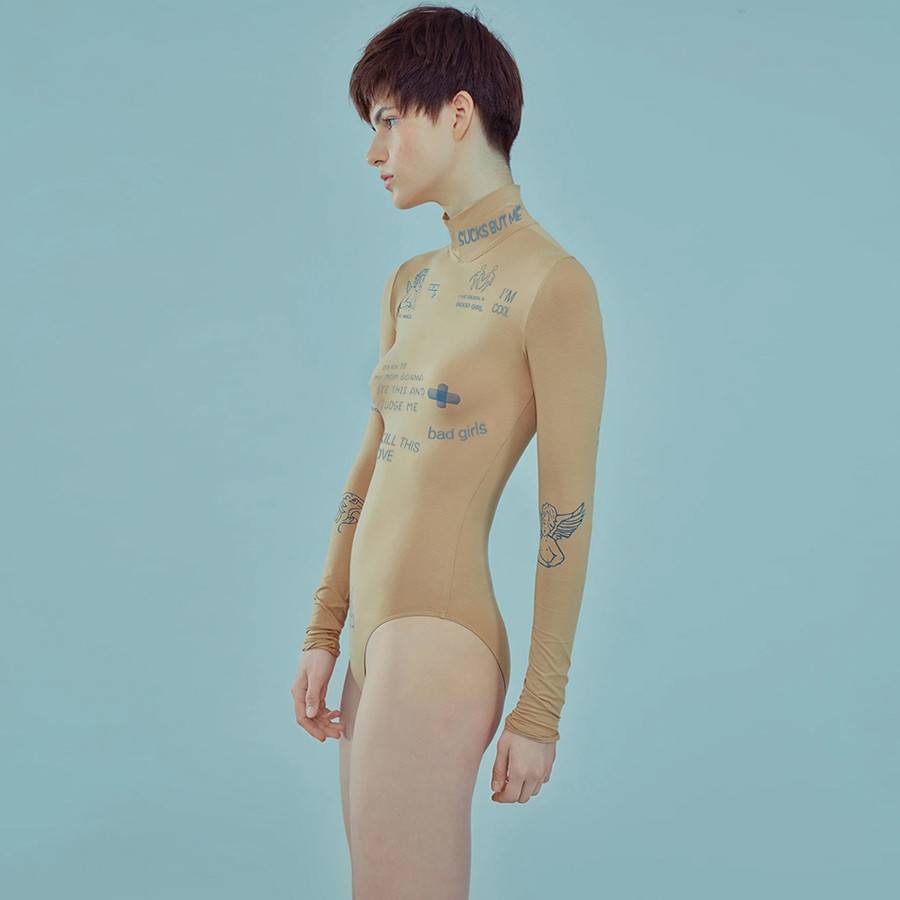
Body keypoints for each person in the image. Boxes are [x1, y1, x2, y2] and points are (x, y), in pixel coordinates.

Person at [290, 6, 607, 897]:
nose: (374, 150)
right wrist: (324, 628)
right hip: (374, 641)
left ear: (458, 112)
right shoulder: (411, 286)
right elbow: (370, 467)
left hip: (439, 637)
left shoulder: (553, 284)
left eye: (390, 119)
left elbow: (566, 512)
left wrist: (540, 709)